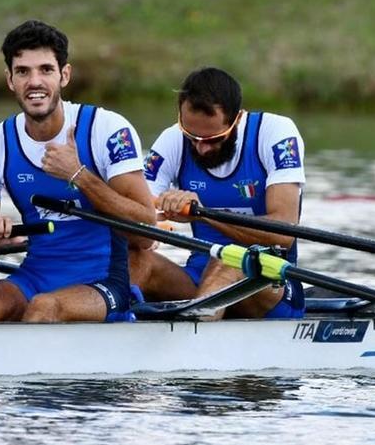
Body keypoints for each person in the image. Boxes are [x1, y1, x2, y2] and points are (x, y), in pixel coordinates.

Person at [0, 20, 156, 323]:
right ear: (10, 79)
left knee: (43, 309)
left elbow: (145, 231)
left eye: (45, 70)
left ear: (64, 75)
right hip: (36, 276)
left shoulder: (108, 130)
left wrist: (79, 175)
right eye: (23, 71)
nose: (34, 82)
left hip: (104, 281)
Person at [131, 67, 306, 319]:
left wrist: (203, 214)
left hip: (268, 284)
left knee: (230, 258)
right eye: (192, 137)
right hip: (199, 280)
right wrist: (146, 225)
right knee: (134, 262)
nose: (201, 148)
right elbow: (135, 210)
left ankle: (196, 337)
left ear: (237, 118)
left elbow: (283, 233)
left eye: (214, 139)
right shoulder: (172, 139)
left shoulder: (275, 133)